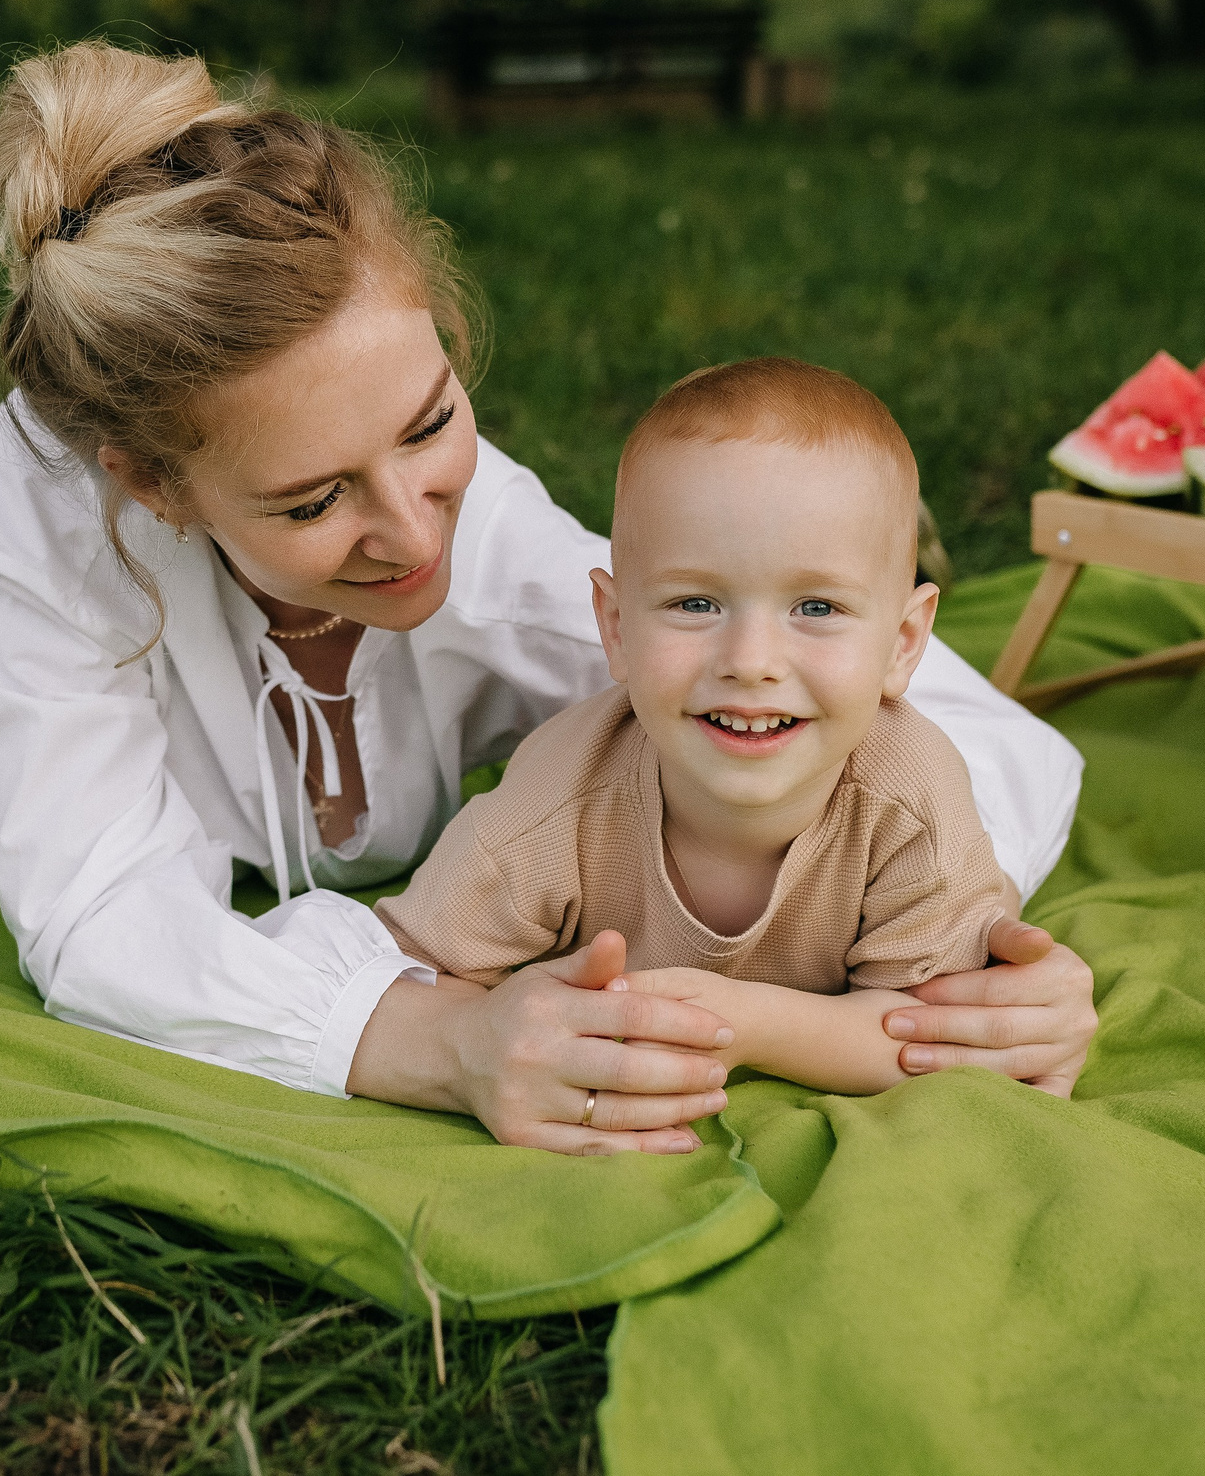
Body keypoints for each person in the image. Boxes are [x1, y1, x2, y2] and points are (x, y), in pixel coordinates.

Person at [0, 40, 1096, 1158]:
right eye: (309, 500)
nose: (414, 532)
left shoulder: (524, 557)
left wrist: (995, 979)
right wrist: (447, 1043)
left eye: (427, 423)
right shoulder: (56, 546)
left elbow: (948, 727)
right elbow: (99, 923)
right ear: (154, 487)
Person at [379, 357, 1068, 1098]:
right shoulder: (555, 801)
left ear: (903, 644)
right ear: (614, 627)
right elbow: (410, 976)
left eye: (816, 608)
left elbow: (930, 1036)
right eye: (696, 604)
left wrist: (744, 1022)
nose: (751, 662)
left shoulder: (913, 800)